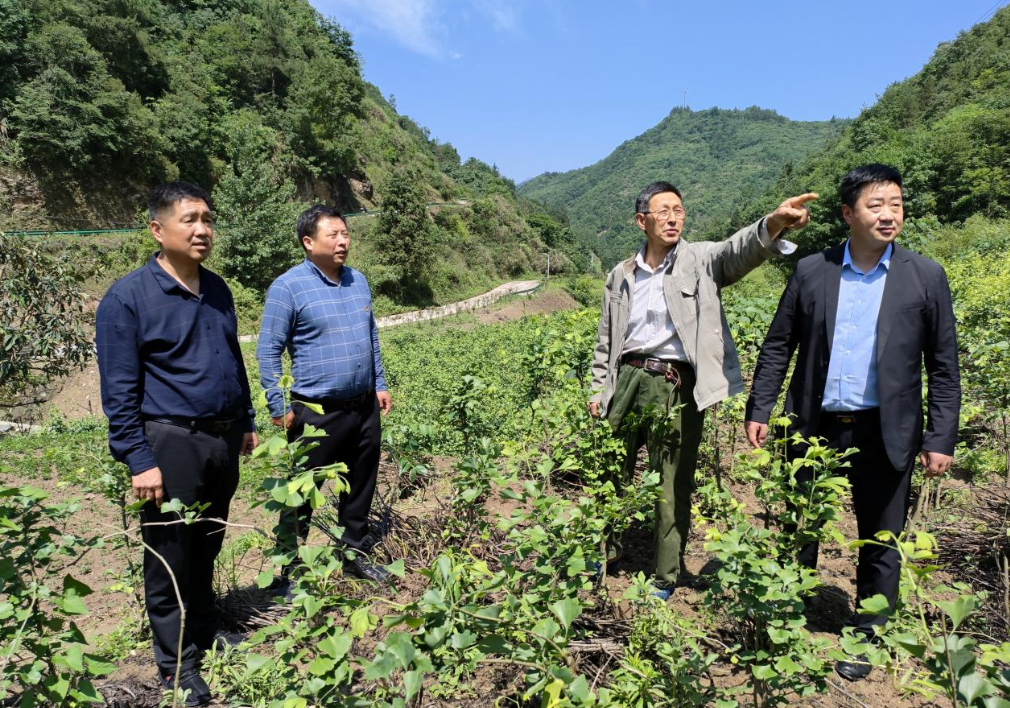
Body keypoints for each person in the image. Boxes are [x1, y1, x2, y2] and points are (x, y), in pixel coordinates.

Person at [744, 164, 960, 681]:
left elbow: (944, 366)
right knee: (800, 525)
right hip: (813, 425)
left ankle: (867, 633)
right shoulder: (811, 271)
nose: (889, 215)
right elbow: (778, 345)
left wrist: (940, 436)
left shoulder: (924, 276)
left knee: (881, 538)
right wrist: (760, 407)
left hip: (886, 429)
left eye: (896, 204)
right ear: (848, 213)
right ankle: (787, 615)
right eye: (875, 205)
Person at [589, 180, 817, 598]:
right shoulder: (620, 275)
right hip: (626, 378)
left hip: (674, 383)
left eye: (678, 210)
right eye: (663, 211)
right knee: (610, 468)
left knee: (671, 480)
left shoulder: (701, 259)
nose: (672, 218)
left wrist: (774, 223)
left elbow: (738, 249)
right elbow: (607, 337)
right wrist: (597, 387)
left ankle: (664, 574)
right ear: (641, 221)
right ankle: (606, 551)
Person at [96, 182, 258, 706]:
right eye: (190, 219)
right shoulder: (127, 299)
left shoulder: (217, 289)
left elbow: (233, 360)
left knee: (208, 541)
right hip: (170, 441)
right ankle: (176, 665)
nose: (202, 229)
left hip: (221, 438)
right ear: (157, 229)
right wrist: (139, 459)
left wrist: (246, 419)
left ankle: (206, 630)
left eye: (207, 219)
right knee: (169, 555)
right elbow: (119, 392)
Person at [257, 205, 393, 588]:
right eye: (333, 235)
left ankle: (353, 555)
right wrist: (278, 406)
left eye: (345, 234)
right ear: (308, 241)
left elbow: (370, 337)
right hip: (315, 412)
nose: (343, 241)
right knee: (302, 491)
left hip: (363, 407)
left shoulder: (358, 281)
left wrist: (379, 383)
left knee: (361, 485)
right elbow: (268, 350)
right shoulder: (288, 287)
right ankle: (290, 570)